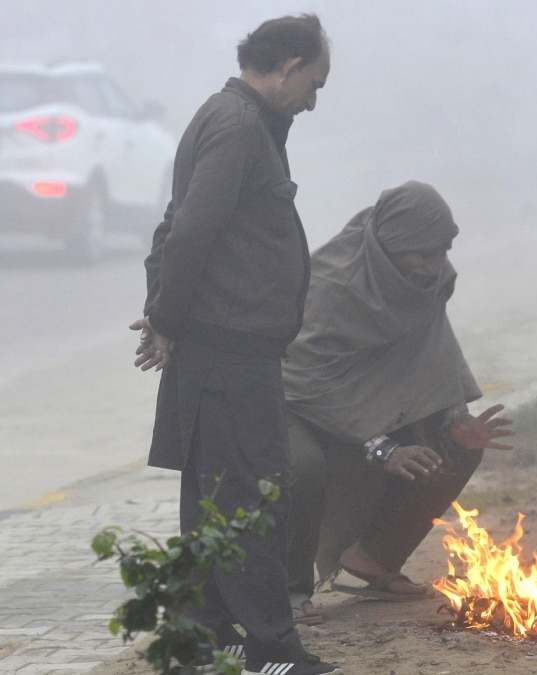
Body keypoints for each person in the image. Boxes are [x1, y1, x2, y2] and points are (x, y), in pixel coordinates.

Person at [129, 14, 341, 675]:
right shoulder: (238, 125)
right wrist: (165, 317)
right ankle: (270, 649)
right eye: (314, 82)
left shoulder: (235, 121)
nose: (313, 99)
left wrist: (162, 312)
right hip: (228, 355)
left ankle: (206, 641)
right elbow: (189, 229)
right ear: (286, 67)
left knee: (219, 502)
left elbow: (176, 224)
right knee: (252, 501)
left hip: (225, 352)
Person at [280, 181, 515, 623]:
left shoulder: (427, 278)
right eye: (422, 254)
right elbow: (306, 382)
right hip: (295, 406)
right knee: (303, 468)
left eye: (441, 252)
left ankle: (372, 558)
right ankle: (289, 590)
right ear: (389, 247)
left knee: (455, 451)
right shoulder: (332, 288)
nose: (433, 266)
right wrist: (382, 448)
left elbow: (430, 353)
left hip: (363, 409)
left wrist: (452, 417)